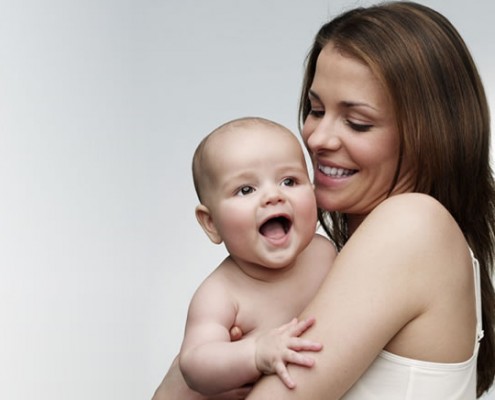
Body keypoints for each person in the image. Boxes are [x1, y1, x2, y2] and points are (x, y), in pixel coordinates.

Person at [154, 2, 495, 399]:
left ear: (430, 135)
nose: (316, 138)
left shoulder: (411, 223)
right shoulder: (328, 260)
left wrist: (187, 380)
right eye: (316, 110)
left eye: (357, 122)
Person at [161, 117, 337, 398]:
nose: (273, 196)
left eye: (289, 181)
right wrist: (255, 353)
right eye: (246, 190)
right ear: (211, 223)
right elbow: (194, 364)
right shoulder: (221, 294)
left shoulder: (325, 253)